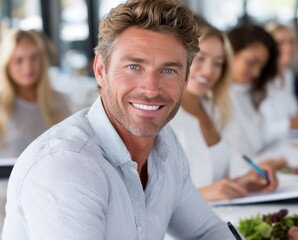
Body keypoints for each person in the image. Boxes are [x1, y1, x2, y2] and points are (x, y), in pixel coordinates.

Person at [2, 1, 235, 239]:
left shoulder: (166, 145)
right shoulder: (66, 167)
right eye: (134, 66)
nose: (152, 89)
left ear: (186, 79)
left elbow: (206, 232)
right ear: (101, 70)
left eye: (168, 70)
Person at [169, 16, 278, 202]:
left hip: (223, 216)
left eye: (218, 63)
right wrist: (203, 195)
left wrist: (242, 181)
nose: (209, 71)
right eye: (200, 59)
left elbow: (217, 180)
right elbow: (148, 200)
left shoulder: (215, 109)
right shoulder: (164, 117)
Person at [0, 29, 71, 158]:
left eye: (34, 57)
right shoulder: (1, 106)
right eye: (19, 60)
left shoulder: (61, 102)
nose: (28, 67)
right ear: (7, 64)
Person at [226, 23, 283, 155]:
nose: (257, 73)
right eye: (251, 62)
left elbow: (257, 142)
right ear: (230, 52)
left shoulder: (246, 92)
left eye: (261, 67)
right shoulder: (215, 100)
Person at [265, 23, 298, 129]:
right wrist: (290, 123)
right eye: (280, 43)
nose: (288, 47)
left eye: (291, 42)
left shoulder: (288, 75)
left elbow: (294, 113)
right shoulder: (263, 80)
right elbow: (263, 128)